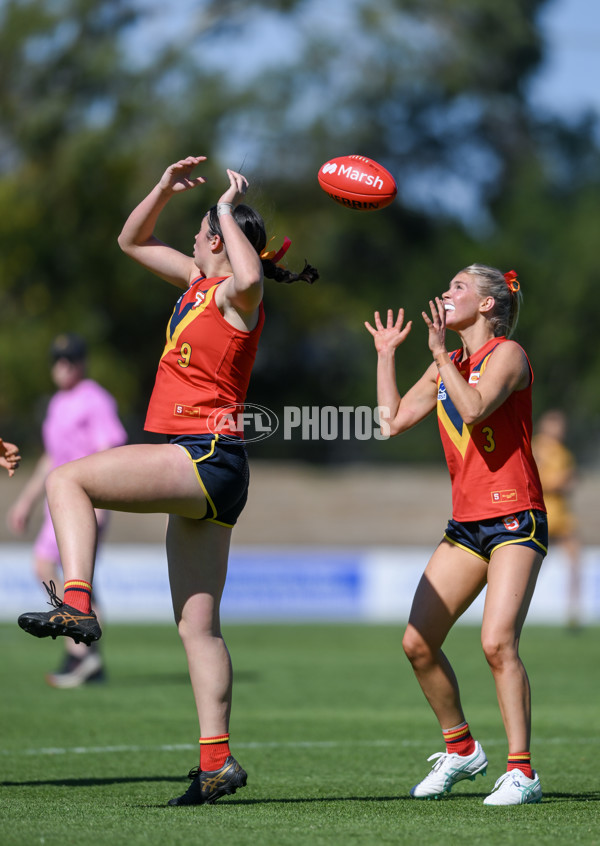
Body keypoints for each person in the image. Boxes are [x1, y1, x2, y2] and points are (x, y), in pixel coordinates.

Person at [17, 155, 318, 806]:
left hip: (205, 453)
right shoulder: (196, 284)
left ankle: (76, 602)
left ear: (219, 238)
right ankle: (217, 763)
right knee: (197, 628)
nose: (191, 238)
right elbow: (130, 241)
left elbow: (245, 268)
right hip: (214, 464)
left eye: (200, 230)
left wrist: (227, 213)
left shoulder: (241, 293)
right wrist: (160, 189)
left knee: (67, 481)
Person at [365, 264, 547, 806]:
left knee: (497, 643)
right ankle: (462, 748)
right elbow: (389, 422)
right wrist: (386, 355)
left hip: (517, 518)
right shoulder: (446, 364)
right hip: (467, 526)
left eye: (459, 288)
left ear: (487, 305)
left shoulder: (507, 357)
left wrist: (443, 358)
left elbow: (474, 408)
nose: (446, 293)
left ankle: (522, 772)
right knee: (417, 643)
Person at [7, 333, 127, 687]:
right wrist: (26, 500)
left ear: (82, 362)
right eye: (58, 360)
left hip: (84, 501)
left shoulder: (95, 400)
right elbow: (50, 458)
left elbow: (109, 451)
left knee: (48, 566)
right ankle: (85, 647)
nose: (63, 366)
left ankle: (80, 648)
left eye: (70, 359)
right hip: (57, 503)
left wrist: (104, 503)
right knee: (64, 572)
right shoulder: (58, 403)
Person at [532, 409, 582, 629]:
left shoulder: (564, 453)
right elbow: (534, 479)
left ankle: (573, 613)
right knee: (531, 565)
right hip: (542, 514)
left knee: (575, 562)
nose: (559, 430)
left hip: (561, 515)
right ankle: (519, 608)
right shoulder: (537, 447)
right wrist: (560, 481)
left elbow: (570, 482)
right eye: (555, 424)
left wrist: (568, 483)